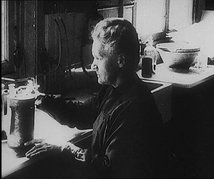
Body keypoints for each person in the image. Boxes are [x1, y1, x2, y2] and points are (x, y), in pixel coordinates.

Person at [25, 17, 165, 178]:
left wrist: (65, 149)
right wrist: (41, 100)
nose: (93, 65)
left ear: (120, 61)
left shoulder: (134, 107)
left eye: (98, 58)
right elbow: (83, 113)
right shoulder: (113, 89)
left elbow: (109, 169)